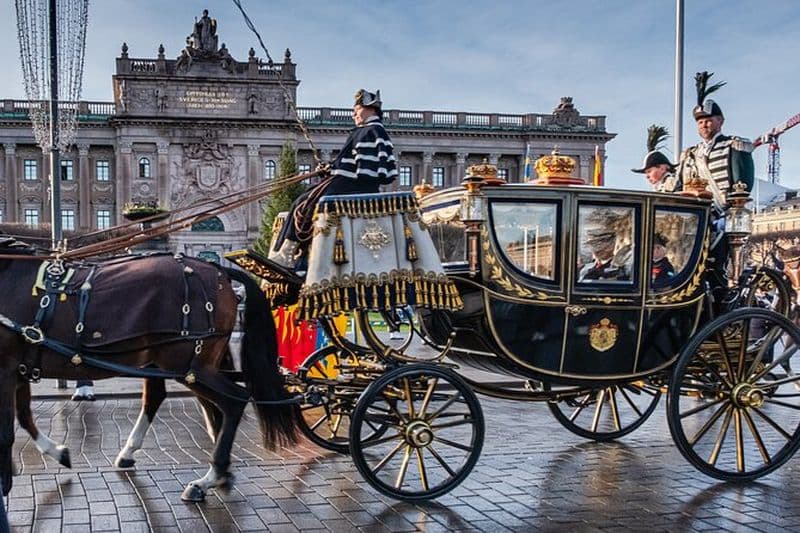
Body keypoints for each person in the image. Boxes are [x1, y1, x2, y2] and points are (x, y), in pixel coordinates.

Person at [269, 89, 398, 269]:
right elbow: (352, 162)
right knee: (303, 199)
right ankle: (288, 250)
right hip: (348, 182)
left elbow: (365, 171)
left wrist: (335, 170)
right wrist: (331, 167)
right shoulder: (366, 131)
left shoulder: (370, 131)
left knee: (306, 202)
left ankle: (288, 252)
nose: (354, 114)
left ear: (371, 109)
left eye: (357, 109)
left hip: (353, 186)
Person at [676, 71, 755, 284]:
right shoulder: (690, 154)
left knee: (715, 254)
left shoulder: (734, 145)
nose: (704, 125)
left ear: (720, 121)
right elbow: (678, 187)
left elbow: (742, 186)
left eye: (708, 120)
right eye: (700, 121)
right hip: (696, 215)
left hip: (724, 215)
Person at [632, 125, 679, 192]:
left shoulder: (670, 183)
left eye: (649, 171)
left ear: (662, 168)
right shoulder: (660, 185)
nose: (647, 176)